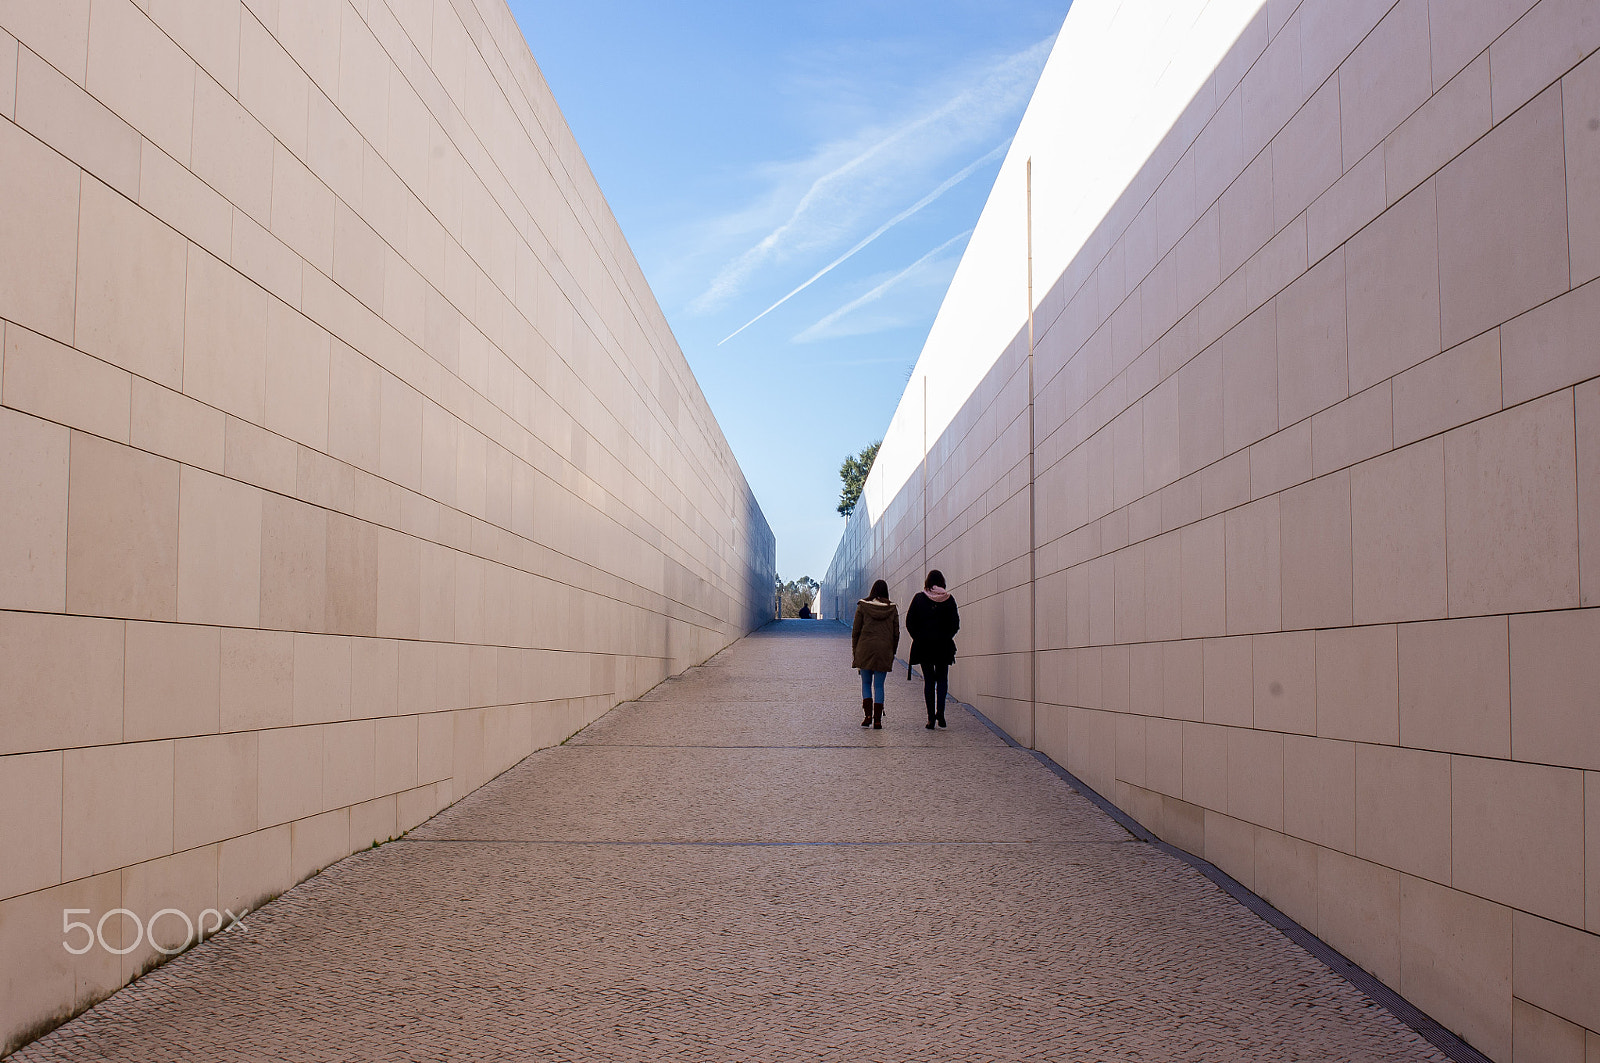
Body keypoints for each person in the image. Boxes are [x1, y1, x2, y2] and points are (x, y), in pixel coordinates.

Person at [906, 569, 959, 729]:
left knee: (929, 681)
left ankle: (930, 718)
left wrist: (918, 637)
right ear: (942, 582)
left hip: (924, 647)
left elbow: (910, 622)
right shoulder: (949, 599)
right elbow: (955, 624)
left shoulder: (919, 598)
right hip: (943, 647)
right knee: (942, 679)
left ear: (927, 583)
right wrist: (946, 636)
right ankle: (940, 713)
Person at [851, 579, 899, 729]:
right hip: (884, 650)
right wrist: (892, 652)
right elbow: (896, 634)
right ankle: (878, 720)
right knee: (879, 685)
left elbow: (856, 632)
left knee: (866, 683)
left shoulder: (863, 606)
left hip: (865, 649)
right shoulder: (892, 608)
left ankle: (867, 716)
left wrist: (855, 653)